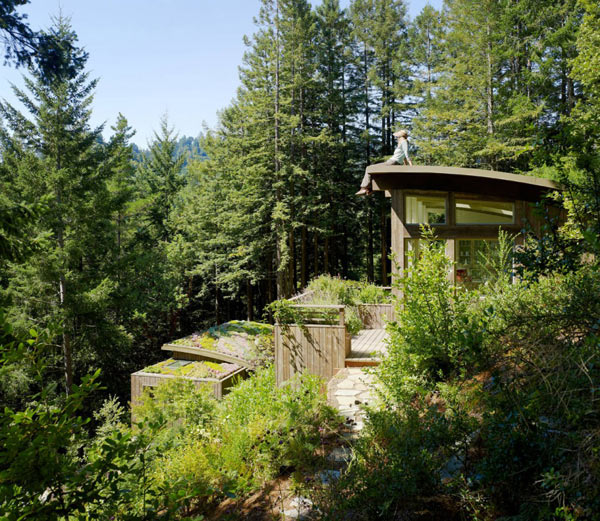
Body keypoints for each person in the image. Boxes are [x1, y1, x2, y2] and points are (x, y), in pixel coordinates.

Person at [356, 129, 413, 195]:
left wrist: (411, 166)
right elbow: (404, 157)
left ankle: (364, 188)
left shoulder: (404, 142)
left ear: (400, 136)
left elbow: (406, 154)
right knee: (377, 172)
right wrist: (406, 167)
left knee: (369, 168)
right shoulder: (403, 143)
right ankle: (369, 189)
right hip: (394, 162)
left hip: (392, 162)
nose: (396, 138)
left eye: (397, 136)